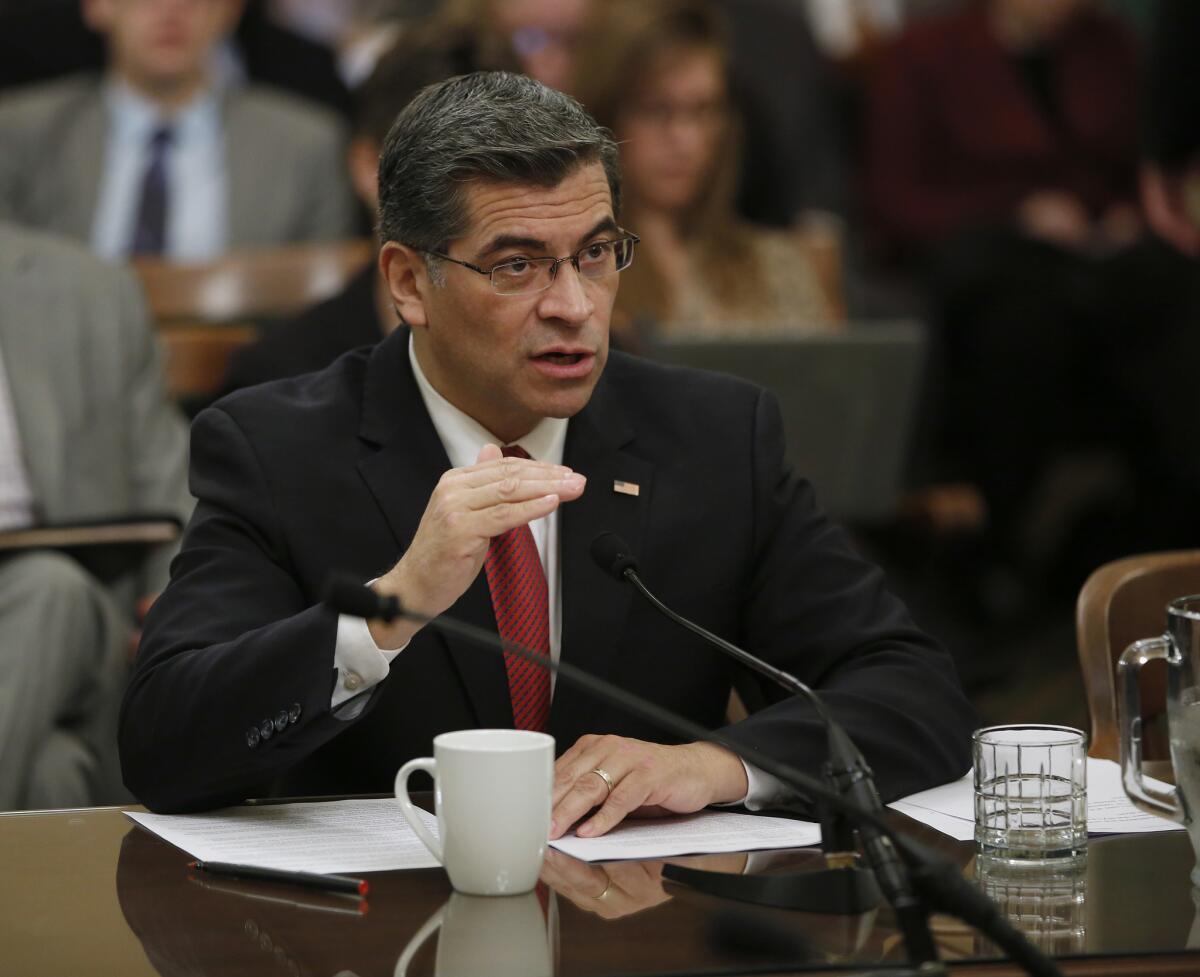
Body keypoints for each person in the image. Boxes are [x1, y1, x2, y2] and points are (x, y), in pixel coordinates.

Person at [120, 72, 975, 830]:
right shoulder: (277, 448)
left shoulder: (714, 438)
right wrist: (385, 611)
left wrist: (712, 765)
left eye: (596, 254)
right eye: (518, 265)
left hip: (646, 931)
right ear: (411, 282)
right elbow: (164, 743)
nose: (573, 305)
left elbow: (912, 692)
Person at [0, 222, 192, 810]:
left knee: (47, 589)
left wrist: (182, 604)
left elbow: (172, 481)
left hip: (75, 606)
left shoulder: (89, 289)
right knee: (55, 774)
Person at [219, 24, 514, 395]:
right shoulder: (279, 383)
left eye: (502, 169)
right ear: (366, 168)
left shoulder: (591, 370)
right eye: (436, 168)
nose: (472, 203)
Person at [0, 0, 356, 262]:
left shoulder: (306, 144)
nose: (171, 11)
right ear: (97, 6)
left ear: (230, 11)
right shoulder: (21, 132)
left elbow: (320, 305)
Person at [572, 0, 837, 341]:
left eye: (703, 110)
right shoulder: (576, 273)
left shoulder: (780, 266)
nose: (686, 140)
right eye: (657, 110)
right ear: (606, 116)